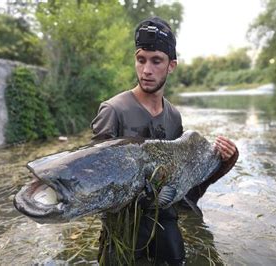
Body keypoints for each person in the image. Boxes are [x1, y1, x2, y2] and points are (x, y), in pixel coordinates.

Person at [90, 16, 238, 265]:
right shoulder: (112, 111)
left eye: (156, 60)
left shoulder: (174, 116)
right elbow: (96, 180)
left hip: (164, 220)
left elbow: (184, 184)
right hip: (124, 230)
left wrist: (225, 161)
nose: (146, 70)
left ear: (172, 65)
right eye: (141, 59)